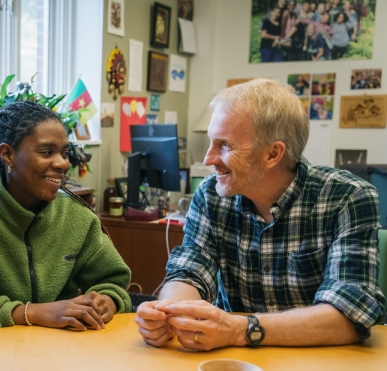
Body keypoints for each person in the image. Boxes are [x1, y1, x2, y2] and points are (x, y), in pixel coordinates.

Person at [134, 78, 384, 351]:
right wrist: (169, 313)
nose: (208, 158)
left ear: (273, 154)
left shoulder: (349, 197)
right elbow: (189, 271)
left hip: (323, 364)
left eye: (224, 145)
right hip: (235, 364)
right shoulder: (211, 196)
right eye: (210, 142)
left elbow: (350, 316)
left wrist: (241, 330)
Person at [0, 101, 131, 341]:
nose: (62, 164)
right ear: (7, 154)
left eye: (65, 153)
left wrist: (108, 300)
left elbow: (112, 280)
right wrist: (26, 313)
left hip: (63, 354)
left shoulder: (76, 216)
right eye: (47, 152)